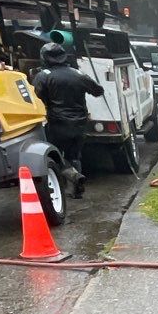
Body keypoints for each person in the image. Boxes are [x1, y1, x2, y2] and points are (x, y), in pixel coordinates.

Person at [34, 39, 104, 197]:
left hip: (58, 123)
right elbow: (98, 90)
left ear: (44, 57)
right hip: (80, 123)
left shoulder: (43, 76)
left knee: (56, 155)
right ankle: (78, 191)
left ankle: (72, 176)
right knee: (75, 155)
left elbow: (37, 97)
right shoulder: (77, 74)